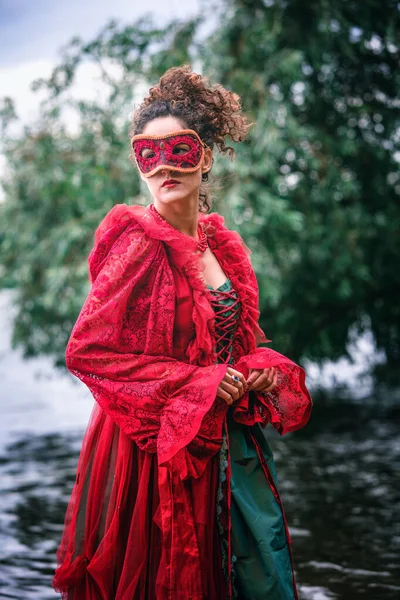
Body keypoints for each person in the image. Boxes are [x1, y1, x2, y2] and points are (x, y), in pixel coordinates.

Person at [52, 65, 312, 600]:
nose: (164, 165)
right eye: (148, 153)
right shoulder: (138, 243)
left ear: (206, 156)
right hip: (155, 445)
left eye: (181, 149)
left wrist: (253, 373)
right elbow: (88, 352)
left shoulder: (225, 249)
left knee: (257, 571)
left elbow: (238, 344)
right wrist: (194, 385)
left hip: (225, 441)